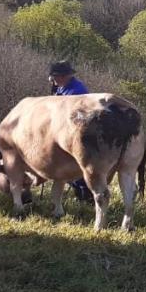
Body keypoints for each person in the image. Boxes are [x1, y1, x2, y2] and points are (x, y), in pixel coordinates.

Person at [48, 61, 93, 202]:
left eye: (55, 78)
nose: (53, 80)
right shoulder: (63, 87)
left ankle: (86, 195)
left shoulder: (76, 91)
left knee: (76, 164)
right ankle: (80, 191)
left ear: (63, 76)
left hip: (75, 132)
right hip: (63, 131)